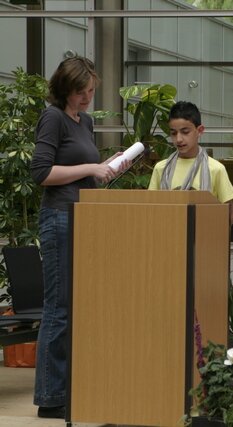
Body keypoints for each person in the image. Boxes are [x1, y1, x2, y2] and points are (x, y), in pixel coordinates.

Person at [30, 56, 130, 419]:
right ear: (65, 89)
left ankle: (71, 387)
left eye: (90, 91)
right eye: (81, 91)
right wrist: (90, 166)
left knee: (80, 307)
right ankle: (50, 397)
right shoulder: (53, 117)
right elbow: (41, 172)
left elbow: (83, 173)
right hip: (59, 218)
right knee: (59, 307)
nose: (88, 97)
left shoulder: (84, 121)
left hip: (85, 218)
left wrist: (109, 167)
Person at [148, 101, 233, 224]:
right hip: (167, 233)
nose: (179, 139)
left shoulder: (216, 169)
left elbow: (230, 215)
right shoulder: (161, 168)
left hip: (204, 234)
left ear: (199, 131)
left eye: (185, 132)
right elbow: (151, 209)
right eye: (173, 133)